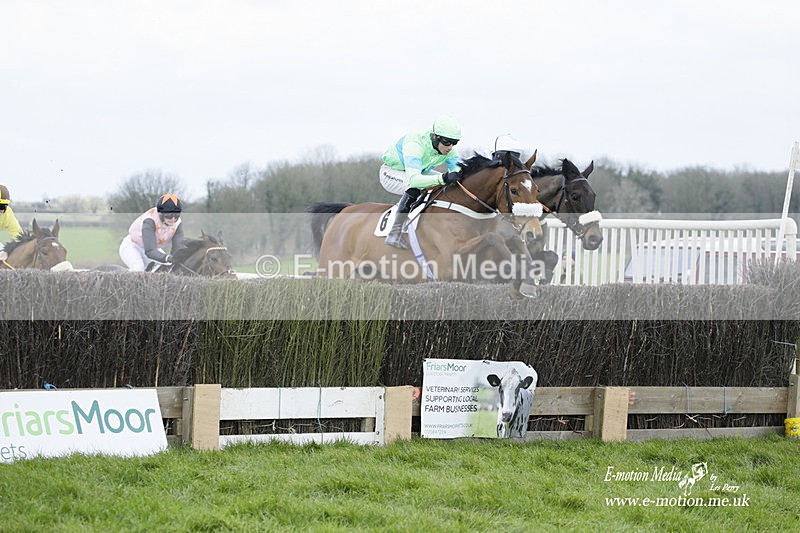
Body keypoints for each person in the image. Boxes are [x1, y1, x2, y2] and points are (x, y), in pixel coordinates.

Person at [379, 115, 463, 249]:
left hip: (417, 171)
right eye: (447, 142)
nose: (450, 147)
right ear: (435, 137)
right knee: (415, 187)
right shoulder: (415, 144)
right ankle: (394, 233)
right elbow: (415, 180)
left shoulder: (450, 150)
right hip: (391, 172)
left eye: (455, 142)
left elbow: (457, 172)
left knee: (449, 185)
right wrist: (443, 178)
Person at [119, 193, 187, 271]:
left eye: (176, 215)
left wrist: (177, 258)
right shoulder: (150, 220)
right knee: (138, 267)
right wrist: (166, 257)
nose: (173, 219)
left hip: (152, 248)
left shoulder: (178, 223)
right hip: (132, 246)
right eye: (169, 215)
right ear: (160, 212)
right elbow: (150, 251)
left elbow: (177, 247)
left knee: (167, 265)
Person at [0, 185, 23, 261]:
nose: (2, 211)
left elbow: (19, 236)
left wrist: (7, 251)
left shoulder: (8, 213)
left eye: (4, 206)